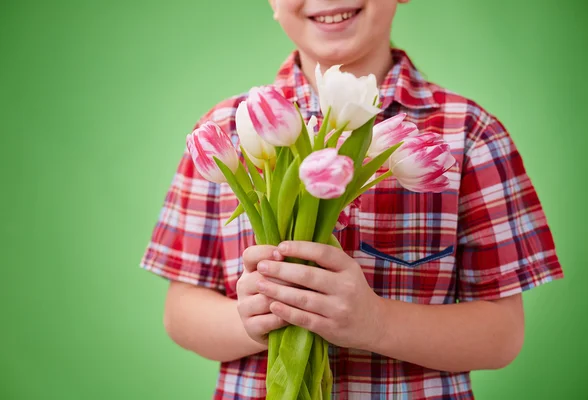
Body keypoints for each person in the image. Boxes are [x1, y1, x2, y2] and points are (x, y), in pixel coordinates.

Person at [140, 1, 564, 398]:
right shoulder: (225, 133)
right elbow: (181, 313)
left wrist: (375, 323)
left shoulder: (469, 134)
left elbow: (502, 335)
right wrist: (248, 319)